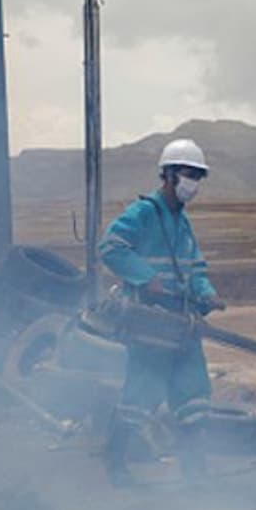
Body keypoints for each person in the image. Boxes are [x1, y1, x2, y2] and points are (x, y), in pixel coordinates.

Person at [97, 138, 226, 486]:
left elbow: (195, 269)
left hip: (182, 324)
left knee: (194, 396)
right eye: (188, 174)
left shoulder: (182, 223)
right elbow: (110, 247)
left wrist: (207, 294)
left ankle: (194, 473)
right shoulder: (143, 213)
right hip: (150, 323)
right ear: (168, 174)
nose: (193, 183)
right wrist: (145, 277)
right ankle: (115, 461)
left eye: (198, 177)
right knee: (142, 394)